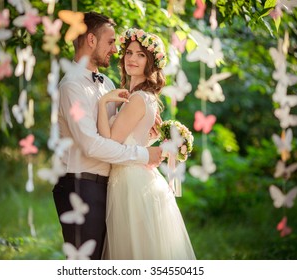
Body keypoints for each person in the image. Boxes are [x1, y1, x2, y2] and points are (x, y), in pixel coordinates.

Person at [52, 12, 163, 260]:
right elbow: (92, 145)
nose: (116, 50)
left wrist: (146, 131)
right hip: (80, 186)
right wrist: (144, 155)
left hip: (111, 187)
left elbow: (117, 136)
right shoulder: (72, 86)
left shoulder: (108, 84)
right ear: (91, 40)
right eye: (110, 42)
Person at [98, 28, 196, 259]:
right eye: (129, 53)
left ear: (150, 62)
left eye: (141, 55)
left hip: (131, 183)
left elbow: (110, 142)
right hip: (137, 178)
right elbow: (138, 137)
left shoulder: (138, 99)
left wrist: (103, 104)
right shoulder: (146, 98)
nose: (132, 58)